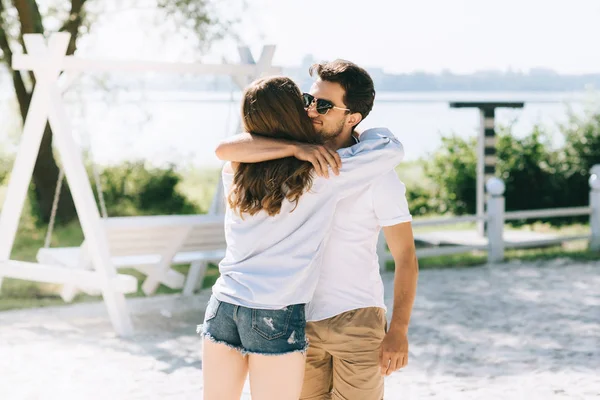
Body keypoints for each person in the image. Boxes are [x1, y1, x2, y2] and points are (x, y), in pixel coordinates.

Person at [215, 60, 419, 400]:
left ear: (352, 117)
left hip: (356, 317)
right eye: (309, 100)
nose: (311, 110)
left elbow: (406, 256)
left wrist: (398, 329)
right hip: (295, 319)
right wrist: (297, 148)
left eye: (323, 105)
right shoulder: (290, 161)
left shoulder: (376, 171)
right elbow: (228, 149)